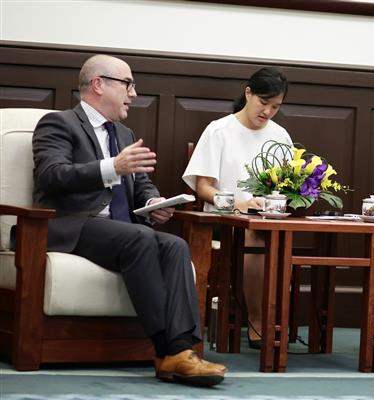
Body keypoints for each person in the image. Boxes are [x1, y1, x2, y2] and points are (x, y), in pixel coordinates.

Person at [32, 54, 227, 387]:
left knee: (175, 245)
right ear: (98, 84)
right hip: (74, 224)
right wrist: (112, 167)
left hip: (122, 230)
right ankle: (167, 349)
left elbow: (141, 184)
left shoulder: (123, 133)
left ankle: (182, 350)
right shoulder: (58, 123)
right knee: (140, 238)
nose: (134, 94)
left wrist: (153, 203)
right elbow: (52, 176)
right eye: (128, 84)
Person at [182, 67, 292, 348]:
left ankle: (277, 318)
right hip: (225, 219)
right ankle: (257, 320)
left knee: (273, 234)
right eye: (263, 103)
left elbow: (289, 187)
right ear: (248, 93)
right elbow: (203, 187)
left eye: (275, 106)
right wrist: (237, 204)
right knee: (255, 236)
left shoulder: (280, 136)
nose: (268, 112)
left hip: (267, 218)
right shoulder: (219, 131)